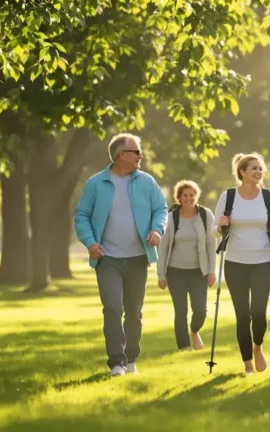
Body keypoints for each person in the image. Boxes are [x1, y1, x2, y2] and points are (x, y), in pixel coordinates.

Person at [73, 132, 168, 377]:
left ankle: (132, 358)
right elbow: (81, 215)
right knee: (113, 308)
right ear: (120, 155)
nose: (140, 155)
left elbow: (161, 208)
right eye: (136, 151)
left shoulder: (147, 182)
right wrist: (90, 242)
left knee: (134, 310)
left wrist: (157, 229)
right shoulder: (96, 183)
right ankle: (117, 362)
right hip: (108, 259)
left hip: (138, 258)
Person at [212, 153, 270, 375]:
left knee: (259, 313)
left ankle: (257, 347)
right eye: (254, 168)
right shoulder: (228, 197)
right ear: (242, 172)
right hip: (235, 263)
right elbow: (213, 231)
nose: (258, 172)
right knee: (242, 315)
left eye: (260, 168)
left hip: (263, 261)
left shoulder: (268, 197)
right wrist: (220, 225)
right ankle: (247, 364)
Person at [157, 180, 217, 351]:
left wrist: (212, 271)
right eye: (185, 195)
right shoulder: (171, 218)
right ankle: (183, 346)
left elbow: (211, 245)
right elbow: (163, 247)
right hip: (175, 272)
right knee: (180, 311)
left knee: (200, 310)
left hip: (199, 271)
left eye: (192, 195)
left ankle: (194, 331)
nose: (189, 198)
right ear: (179, 198)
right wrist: (161, 274)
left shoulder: (206, 215)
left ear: (196, 196)